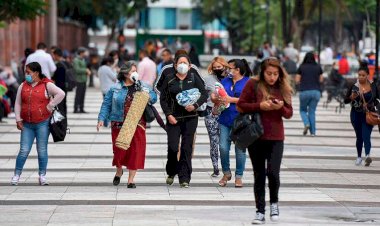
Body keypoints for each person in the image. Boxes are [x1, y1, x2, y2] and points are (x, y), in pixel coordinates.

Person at [237, 57, 293, 224]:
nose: (272, 77)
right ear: (262, 72)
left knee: (273, 173)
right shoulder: (253, 84)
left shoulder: (283, 87)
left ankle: (274, 204)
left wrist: (280, 107)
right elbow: (241, 105)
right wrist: (260, 106)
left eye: (275, 74)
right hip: (256, 136)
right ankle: (260, 211)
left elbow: (289, 113)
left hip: (276, 137)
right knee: (259, 175)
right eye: (269, 73)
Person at [97, 62, 157, 188]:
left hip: (137, 123)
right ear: (125, 73)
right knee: (119, 151)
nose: (135, 73)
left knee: (136, 151)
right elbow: (106, 104)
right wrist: (101, 119)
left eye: (136, 70)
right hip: (118, 123)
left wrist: (145, 93)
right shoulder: (115, 88)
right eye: (132, 71)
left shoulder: (142, 85)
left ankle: (131, 180)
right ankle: (119, 170)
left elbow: (153, 97)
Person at [11, 62, 65, 186]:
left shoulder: (47, 84)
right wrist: (18, 119)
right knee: (24, 150)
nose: (26, 75)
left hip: (42, 123)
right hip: (27, 125)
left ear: (36, 73)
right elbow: (18, 103)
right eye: (26, 72)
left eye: (28, 72)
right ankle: (16, 175)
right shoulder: (22, 86)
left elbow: (61, 93)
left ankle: (42, 176)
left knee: (42, 150)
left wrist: (49, 106)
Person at [159, 53, 207, 188]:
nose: (182, 65)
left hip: (190, 118)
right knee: (173, 147)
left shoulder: (193, 78)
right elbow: (163, 99)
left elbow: (204, 94)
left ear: (190, 65)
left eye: (185, 63)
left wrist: (195, 106)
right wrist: (168, 115)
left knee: (187, 148)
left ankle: (184, 178)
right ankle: (171, 171)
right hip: (173, 118)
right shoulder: (169, 79)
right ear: (175, 65)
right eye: (180, 63)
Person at [215, 59, 251, 188]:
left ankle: (239, 176)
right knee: (223, 147)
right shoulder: (224, 81)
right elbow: (217, 95)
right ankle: (226, 173)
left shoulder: (248, 82)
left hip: (241, 120)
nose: (227, 70)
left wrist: (232, 99)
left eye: (230, 68)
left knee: (240, 149)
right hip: (224, 118)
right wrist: (215, 98)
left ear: (238, 70)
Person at [344, 62, 378, 166]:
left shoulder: (373, 85)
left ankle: (367, 156)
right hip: (355, 114)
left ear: (367, 75)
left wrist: (371, 105)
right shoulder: (353, 86)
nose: (361, 77)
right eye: (359, 75)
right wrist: (351, 97)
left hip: (368, 114)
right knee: (359, 137)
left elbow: (377, 98)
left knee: (366, 135)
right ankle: (359, 157)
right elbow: (345, 100)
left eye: (363, 75)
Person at [204, 56, 229, 177]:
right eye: (215, 67)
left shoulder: (230, 79)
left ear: (224, 66)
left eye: (219, 67)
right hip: (211, 112)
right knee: (214, 141)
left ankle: (226, 166)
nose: (217, 69)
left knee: (224, 142)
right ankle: (215, 167)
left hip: (226, 112)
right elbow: (202, 94)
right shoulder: (208, 79)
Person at [295, 52, 323, 136]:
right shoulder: (318, 66)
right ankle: (313, 132)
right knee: (312, 112)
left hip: (304, 91)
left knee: (302, 110)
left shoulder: (302, 67)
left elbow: (297, 79)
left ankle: (306, 123)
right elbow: (321, 79)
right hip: (316, 92)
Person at [73, 47, 91, 113]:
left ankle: (81, 108)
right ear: (81, 53)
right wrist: (86, 70)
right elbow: (77, 70)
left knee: (82, 95)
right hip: (79, 80)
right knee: (78, 95)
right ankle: (75, 108)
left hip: (84, 79)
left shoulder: (83, 59)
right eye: (84, 52)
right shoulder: (76, 60)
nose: (85, 53)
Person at [52, 48, 67, 116]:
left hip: (59, 87)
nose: (53, 57)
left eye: (54, 55)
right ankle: (64, 123)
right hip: (65, 86)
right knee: (63, 105)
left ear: (57, 55)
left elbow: (55, 77)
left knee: (59, 106)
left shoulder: (59, 65)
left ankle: (61, 124)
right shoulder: (66, 63)